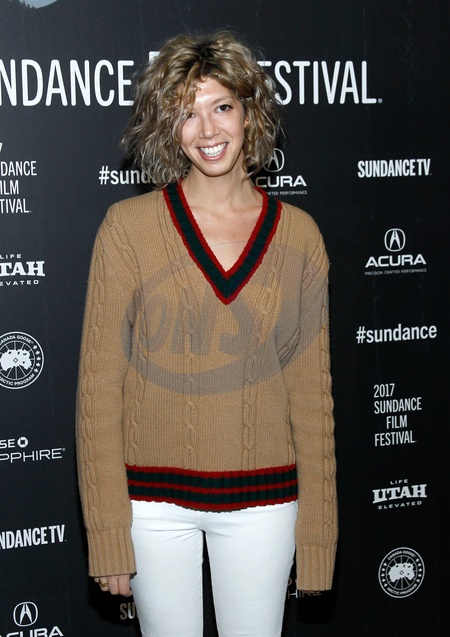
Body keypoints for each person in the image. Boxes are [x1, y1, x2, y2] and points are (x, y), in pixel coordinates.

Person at [76, 30, 337, 637]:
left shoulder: (300, 236)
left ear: (250, 112)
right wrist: (109, 530)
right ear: (168, 128)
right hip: (151, 507)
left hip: (265, 505)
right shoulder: (127, 228)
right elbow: (98, 392)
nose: (207, 129)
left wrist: (318, 538)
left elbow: (312, 399)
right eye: (186, 113)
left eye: (221, 106)